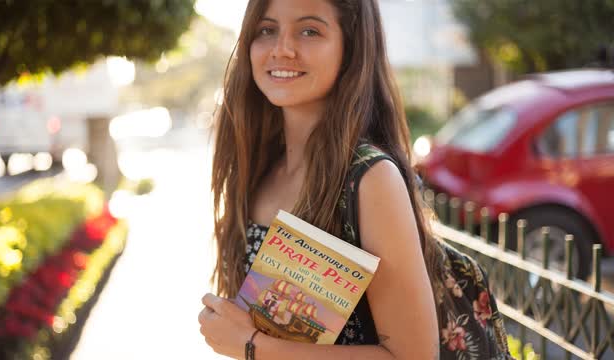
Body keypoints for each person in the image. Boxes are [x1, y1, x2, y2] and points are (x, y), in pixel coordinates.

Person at [199, 1, 513, 359]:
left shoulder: (370, 179)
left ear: (351, 48)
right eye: (266, 30)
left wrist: (253, 346)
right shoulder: (258, 170)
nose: (282, 48)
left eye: (309, 31)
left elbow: (412, 356)